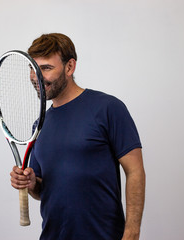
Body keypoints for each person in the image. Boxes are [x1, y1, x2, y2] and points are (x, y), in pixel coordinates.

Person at [10, 33, 146, 240]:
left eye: (46, 68)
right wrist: (31, 184)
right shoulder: (40, 124)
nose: (36, 77)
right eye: (32, 68)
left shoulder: (107, 108)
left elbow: (135, 171)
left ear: (70, 67)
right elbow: (41, 190)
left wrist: (132, 233)